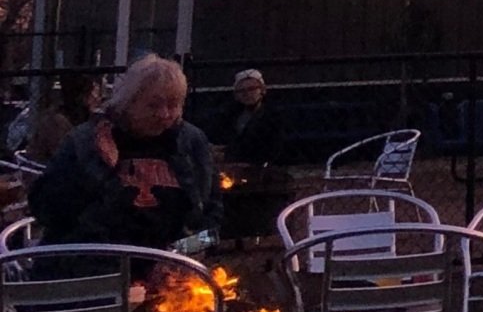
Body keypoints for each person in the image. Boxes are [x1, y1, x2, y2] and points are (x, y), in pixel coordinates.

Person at [29, 55, 220, 250]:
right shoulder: (86, 141)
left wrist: (183, 251)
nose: (164, 114)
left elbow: (213, 220)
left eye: (173, 105)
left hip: (170, 259)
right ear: (128, 102)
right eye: (153, 105)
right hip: (95, 256)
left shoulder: (192, 143)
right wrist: (98, 170)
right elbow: (45, 210)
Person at [209, 68, 287, 168]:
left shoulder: (273, 117)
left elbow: (269, 149)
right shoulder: (231, 115)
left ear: (262, 90)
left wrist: (228, 155)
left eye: (251, 89)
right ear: (236, 95)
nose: (247, 94)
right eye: (241, 91)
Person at [20, 71, 101, 163]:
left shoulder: (86, 119)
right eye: (95, 94)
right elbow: (65, 158)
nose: (98, 99)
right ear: (83, 96)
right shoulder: (56, 122)